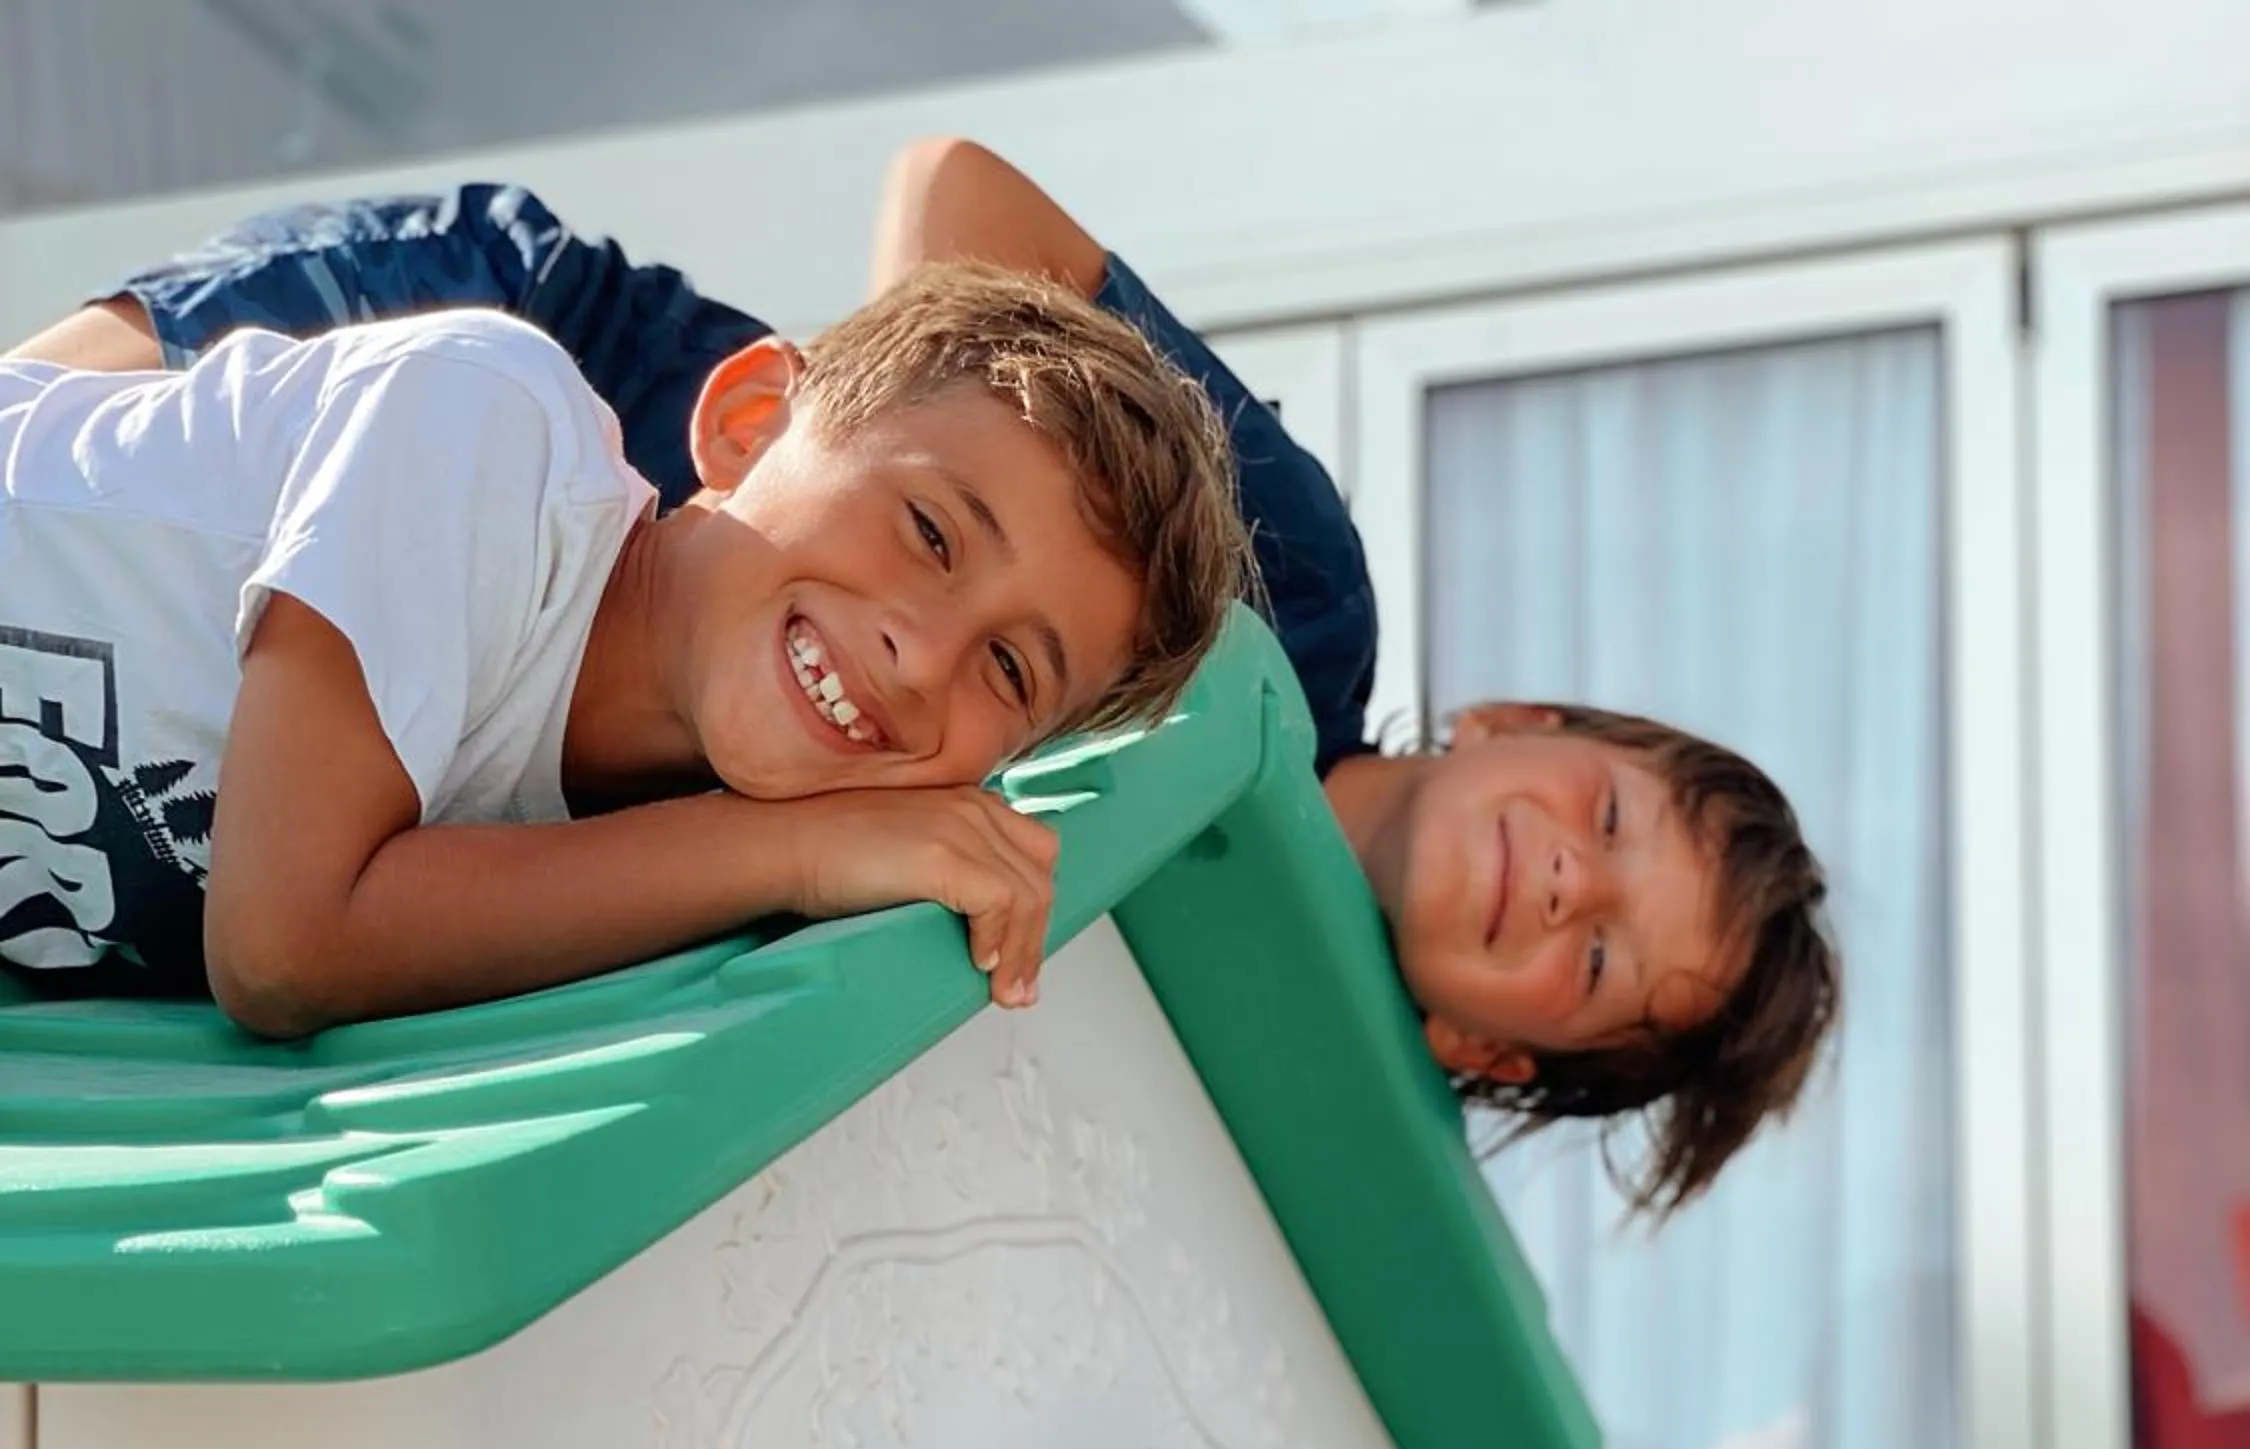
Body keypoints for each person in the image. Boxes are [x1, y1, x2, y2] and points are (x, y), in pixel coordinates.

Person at [12, 155, 1838, 1204]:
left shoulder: (1264, 1069)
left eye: (1600, 958)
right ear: (1524, 721)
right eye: (1606, 818)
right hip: (583, 447)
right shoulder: (1306, 618)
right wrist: (891, 456)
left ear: (1492, 1054)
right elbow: (291, 935)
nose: (1566, 878)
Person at [0, 260, 1248, 1033]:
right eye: (927, 530)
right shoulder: (489, 421)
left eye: (1012, 673)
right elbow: (283, 948)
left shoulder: (589, 881)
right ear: (752, 424)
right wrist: (794, 847)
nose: (923, 658)